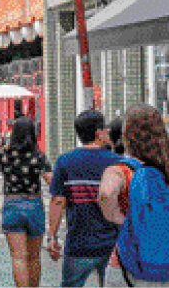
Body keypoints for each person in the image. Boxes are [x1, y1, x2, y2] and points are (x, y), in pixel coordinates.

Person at [99, 105, 169, 287]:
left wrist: (119, 218)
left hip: (130, 266)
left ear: (127, 135)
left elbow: (106, 193)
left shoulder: (121, 171)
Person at [47, 110, 120, 287]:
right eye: (105, 129)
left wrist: (52, 236)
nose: (108, 132)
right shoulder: (118, 162)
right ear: (98, 133)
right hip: (111, 245)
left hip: (78, 244)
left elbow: (58, 201)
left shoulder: (65, 161)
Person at [0, 118, 52, 287]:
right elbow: (51, 181)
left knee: (18, 257)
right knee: (34, 257)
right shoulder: (38, 156)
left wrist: (5, 146)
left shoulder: (4, 155)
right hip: (34, 206)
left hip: (12, 206)